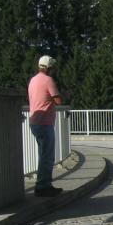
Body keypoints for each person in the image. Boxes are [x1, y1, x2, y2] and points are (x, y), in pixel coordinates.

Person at [28, 55, 64, 197]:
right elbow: (58, 100)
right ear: (49, 68)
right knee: (47, 156)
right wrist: (66, 94)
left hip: (34, 121)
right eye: (53, 68)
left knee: (43, 155)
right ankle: (43, 186)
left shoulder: (33, 80)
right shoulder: (48, 80)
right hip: (45, 122)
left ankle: (42, 184)